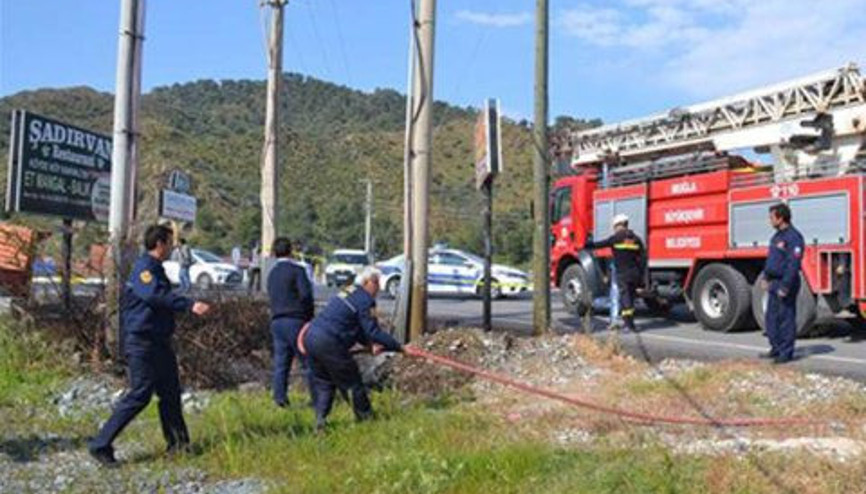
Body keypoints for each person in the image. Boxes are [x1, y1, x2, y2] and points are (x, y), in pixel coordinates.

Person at [88, 225, 211, 467]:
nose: (174, 247)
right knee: (140, 393)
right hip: (142, 342)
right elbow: (154, 295)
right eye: (170, 242)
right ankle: (100, 444)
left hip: (158, 342)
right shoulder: (145, 269)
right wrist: (189, 305)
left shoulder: (156, 269)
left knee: (170, 393)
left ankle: (179, 445)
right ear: (160, 244)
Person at [299, 266, 402, 431]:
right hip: (330, 341)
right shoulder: (365, 300)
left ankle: (320, 421)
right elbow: (372, 331)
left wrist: (369, 345)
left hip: (311, 337)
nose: (378, 289)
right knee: (353, 382)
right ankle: (367, 420)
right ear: (369, 282)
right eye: (377, 283)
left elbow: (356, 329)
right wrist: (398, 346)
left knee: (324, 382)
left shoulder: (348, 291)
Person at [266, 237, 315, 408]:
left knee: (281, 364)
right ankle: (316, 397)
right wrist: (309, 317)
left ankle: (280, 398)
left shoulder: (272, 274)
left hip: (277, 321)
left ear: (274, 252)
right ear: (291, 251)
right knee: (308, 361)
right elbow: (306, 296)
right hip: (296, 321)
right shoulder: (297, 271)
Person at [584, 213, 646, 332]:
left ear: (618, 225)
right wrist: (641, 277)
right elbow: (642, 258)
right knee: (631, 298)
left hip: (622, 273)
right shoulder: (636, 239)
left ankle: (629, 325)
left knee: (625, 298)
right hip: (635, 273)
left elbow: (599, 245)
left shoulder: (615, 238)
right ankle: (630, 323)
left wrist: (585, 244)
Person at [760, 203, 805, 364]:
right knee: (771, 318)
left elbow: (793, 264)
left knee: (785, 318)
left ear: (781, 218)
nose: (770, 221)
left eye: (772, 217)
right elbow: (772, 260)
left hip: (786, 283)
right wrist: (765, 277)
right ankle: (776, 348)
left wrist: (785, 286)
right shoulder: (776, 237)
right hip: (773, 282)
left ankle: (786, 352)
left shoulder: (794, 237)